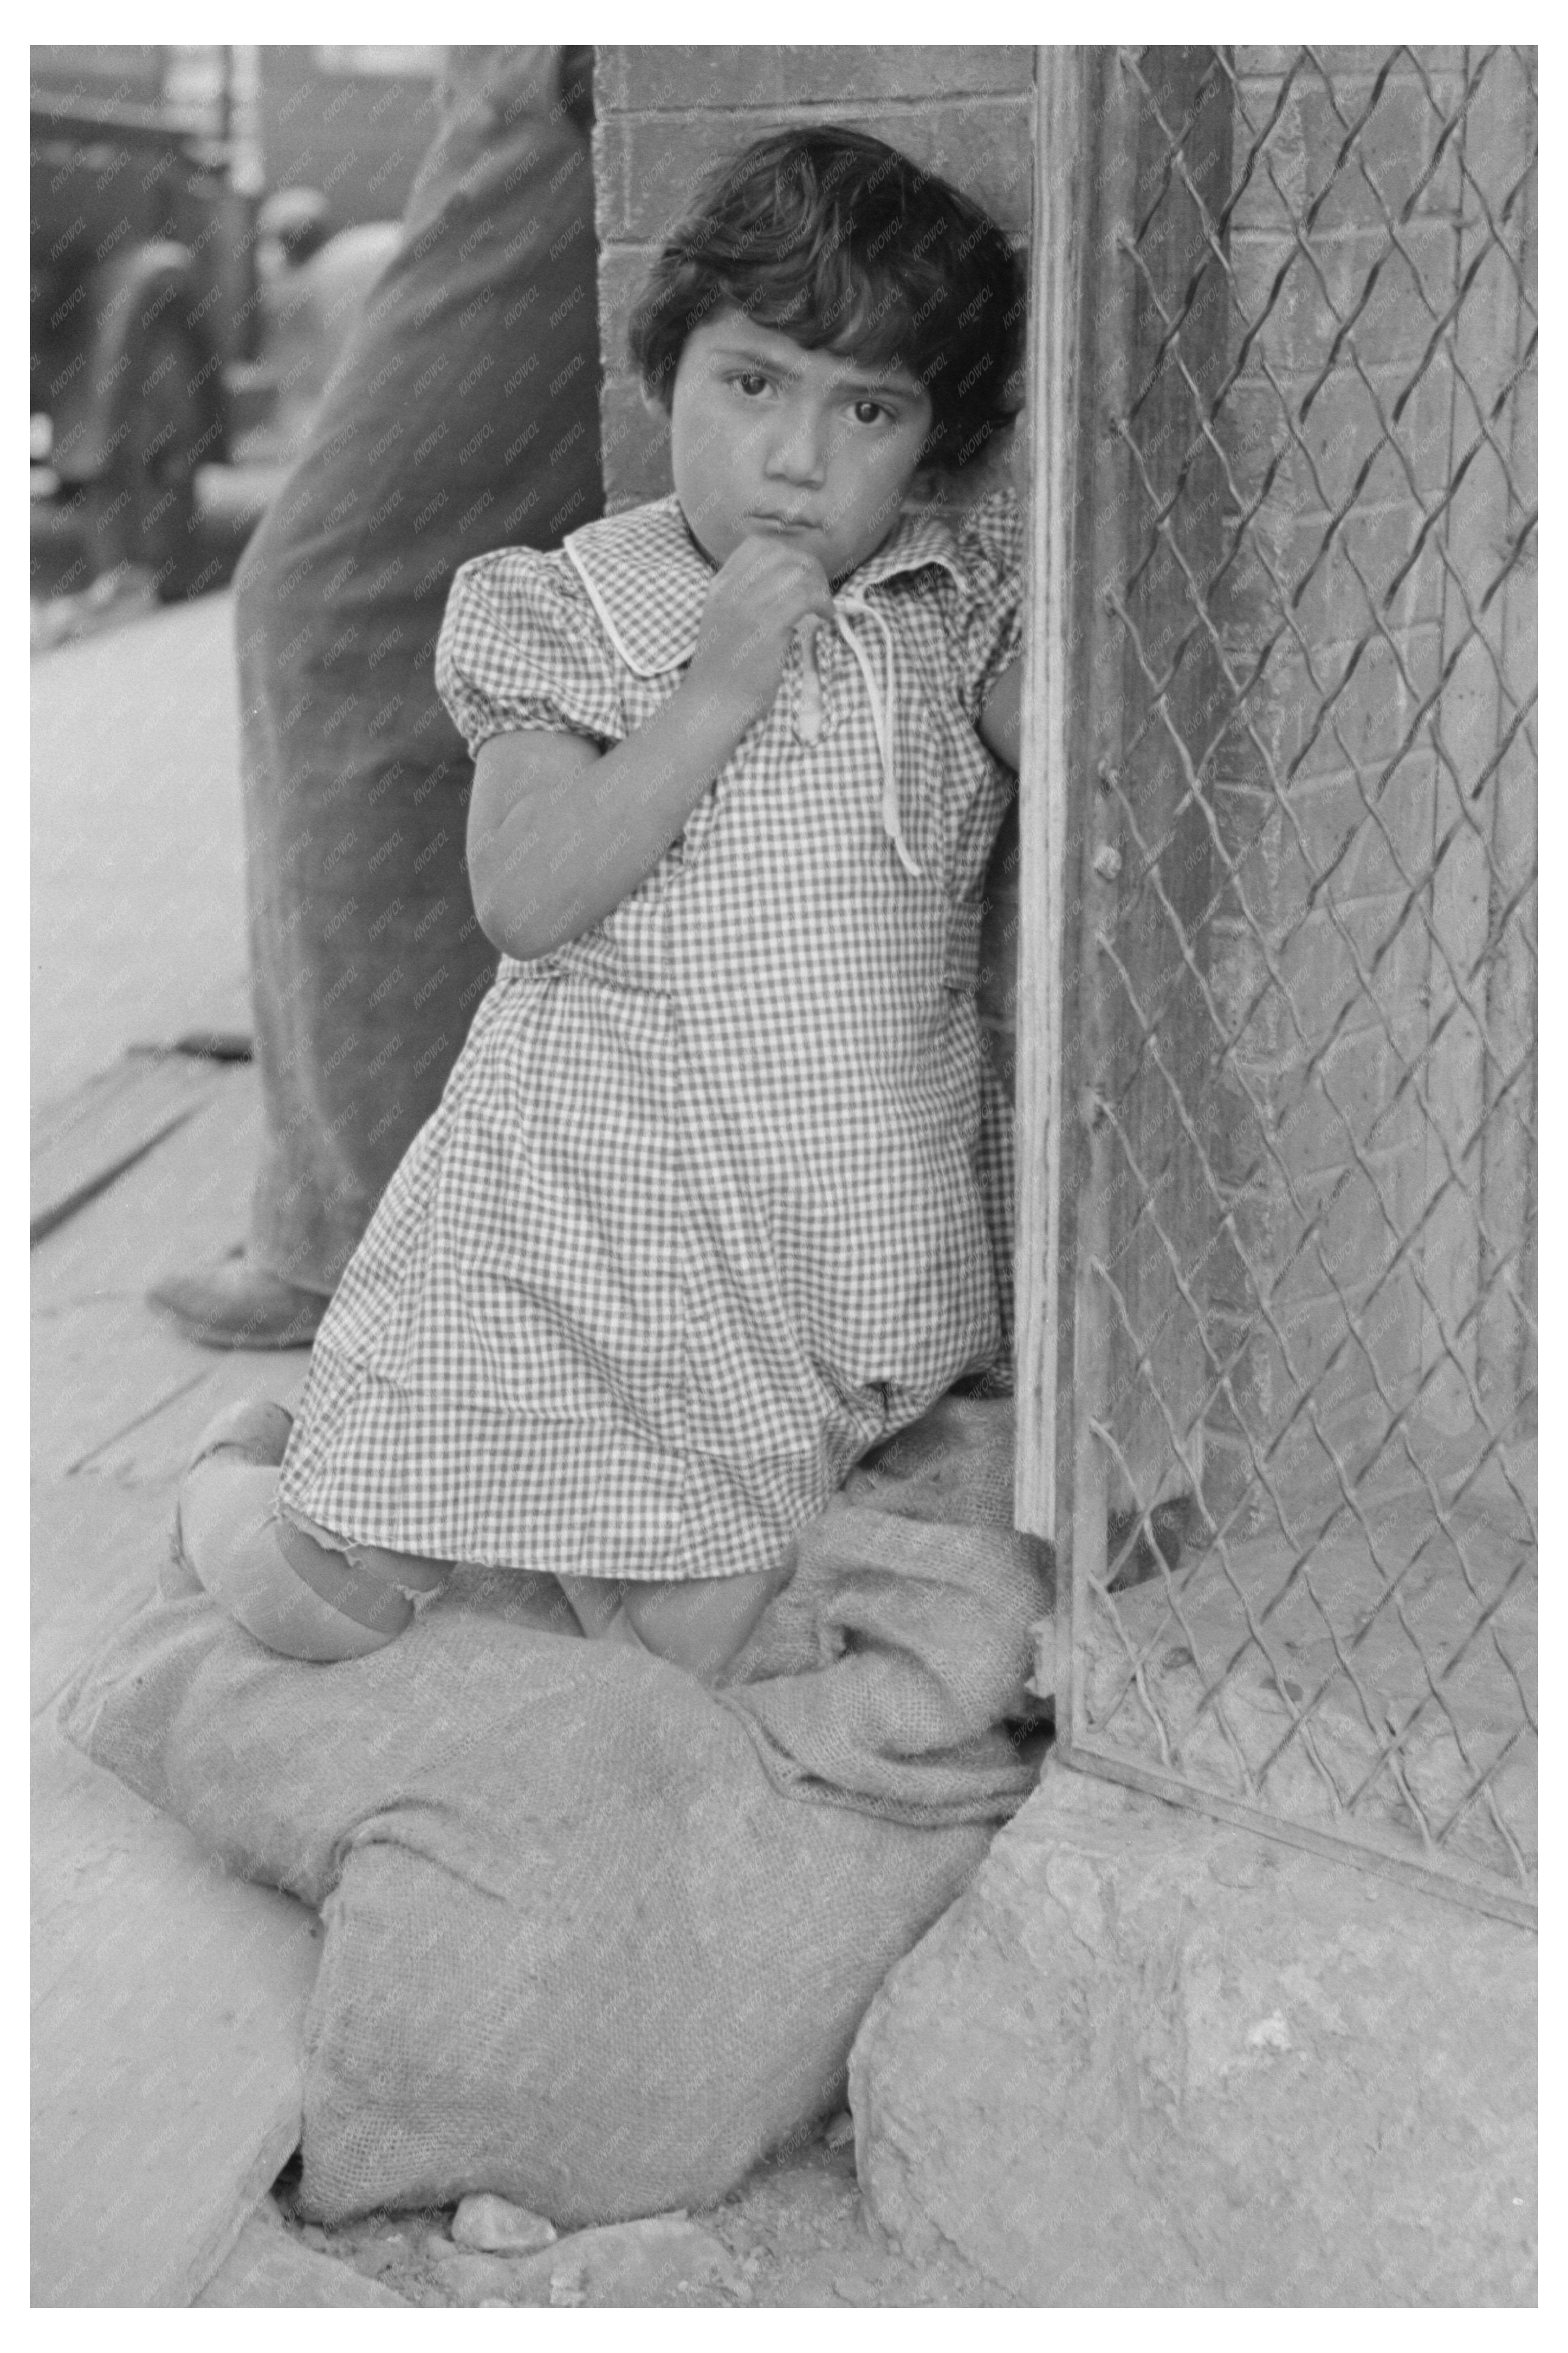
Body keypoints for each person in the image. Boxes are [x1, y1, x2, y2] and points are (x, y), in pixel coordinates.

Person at [170, 125, 1026, 1685]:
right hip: (585, 1221)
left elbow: (1110, 774)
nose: (797, 459)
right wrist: (716, 690)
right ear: (665, 370)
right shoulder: (562, 609)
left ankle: (555, 1542)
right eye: (751, 382)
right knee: (329, 1604)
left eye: (870, 411)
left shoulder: (948, 605)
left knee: (686, 1644)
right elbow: (526, 893)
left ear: (931, 446)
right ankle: (257, 1477)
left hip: (827, 1244)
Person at [149, 47, 604, 1348]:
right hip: (537, 86)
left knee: (333, 616)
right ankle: (409, 1215)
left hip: (571, 79)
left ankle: (370, 1232)